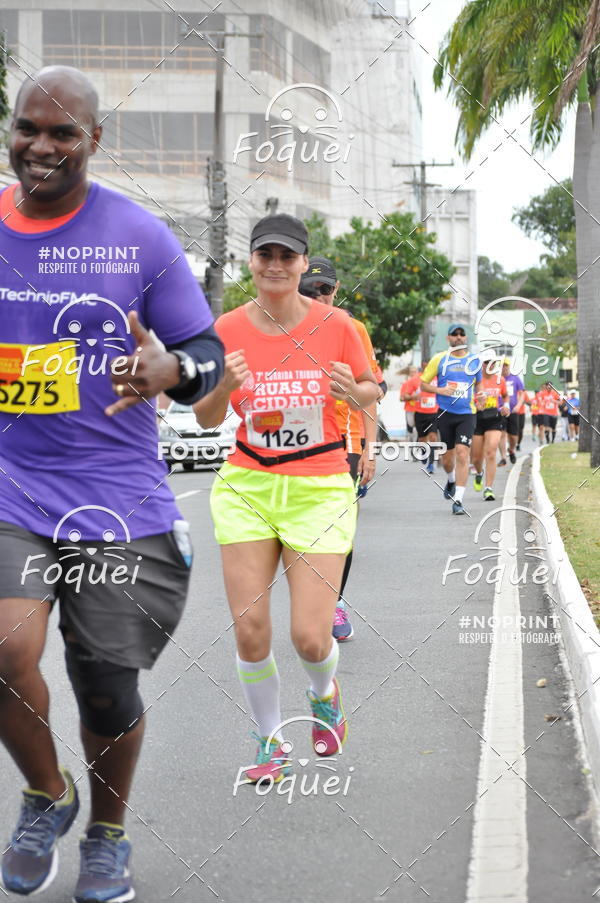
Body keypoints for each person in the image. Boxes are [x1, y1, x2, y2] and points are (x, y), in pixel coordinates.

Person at [0, 67, 224, 901]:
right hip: (11, 484)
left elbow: (208, 358)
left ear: (95, 140)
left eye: (63, 133)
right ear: (11, 130)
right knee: (3, 648)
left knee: (103, 680)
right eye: (29, 128)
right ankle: (45, 792)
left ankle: (107, 830)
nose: (42, 147)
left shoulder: (139, 237)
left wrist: (173, 367)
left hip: (114, 496)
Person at [193, 214, 377, 782]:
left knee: (309, 635)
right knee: (251, 628)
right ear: (250, 261)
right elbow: (205, 417)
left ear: (302, 264)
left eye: (287, 257)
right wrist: (223, 383)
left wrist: (355, 391)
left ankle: (325, 694)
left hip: (318, 485)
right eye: (264, 255)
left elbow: (370, 386)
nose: (275, 265)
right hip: (248, 484)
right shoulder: (225, 327)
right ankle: (269, 742)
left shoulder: (338, 325)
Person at [299, 256, 386, 643]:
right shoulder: (286, 327)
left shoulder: (354, 329)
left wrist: (370, 448)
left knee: (339, 524)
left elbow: (371, 392)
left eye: (325, 289)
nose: (318, 296)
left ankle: (333, 601)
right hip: (298, 439)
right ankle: (310, 595)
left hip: (346, 439)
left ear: (335, 290)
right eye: (309, 289)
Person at [420, 324, 482, 516]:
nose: (458, 337)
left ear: (466, 338)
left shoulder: (474, 360)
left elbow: (478, 384)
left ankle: (459, 500)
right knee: (448, 460)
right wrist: (440, 390)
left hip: (467, 414)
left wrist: (479, 398)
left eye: (461, 334)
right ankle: (451, 479)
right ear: (448, 338)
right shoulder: (439, 359)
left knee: (463, 454)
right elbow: (423, 384)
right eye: (454, 334)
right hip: (445, 413)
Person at [471, 356, 510, 501]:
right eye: (487, 362)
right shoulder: (474, 380)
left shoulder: (501, 380)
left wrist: (506, 406)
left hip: (494, 417)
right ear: (482, 364)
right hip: (477, 418)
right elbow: (466, 397)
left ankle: (488, 488)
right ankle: (479, 472)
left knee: (491, 451)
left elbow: (505, 396)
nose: (490, 364)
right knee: (476, 457)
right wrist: (474, 405)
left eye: (493, 362)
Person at [412, 361, 439, 475]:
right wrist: (413, 396)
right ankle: (423, 452)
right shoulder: (415, 379)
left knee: (433, 437)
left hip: (434, 413)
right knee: (422, 439)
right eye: (424, 367)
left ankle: (431, 463)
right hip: (420, 414)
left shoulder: (438, 378)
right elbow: (405, 396)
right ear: (421, 367)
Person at [500, 358, 524, 463]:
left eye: (506, 365)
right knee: (502, 433)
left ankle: (511, 450)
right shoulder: (497, 379)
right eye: (502, 365)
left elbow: (522, 393)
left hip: (513, 411)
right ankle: (503, 457)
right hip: (500, 410)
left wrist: (518, 405)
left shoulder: (515, 378)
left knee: (514, 436)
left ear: (509, 366)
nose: (504, 367)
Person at [400, 365, 420, 443]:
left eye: (415, 372)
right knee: (410, 428)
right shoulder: (406, 384)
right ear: (409, 373)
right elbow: (401, 398)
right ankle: (411, 443)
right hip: (409, 409)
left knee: (419, 429)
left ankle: (419, 444)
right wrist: (411, 397)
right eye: (411, 372)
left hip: (420, 410)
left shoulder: (421, 383)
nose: (413, 373)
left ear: (418, 373)